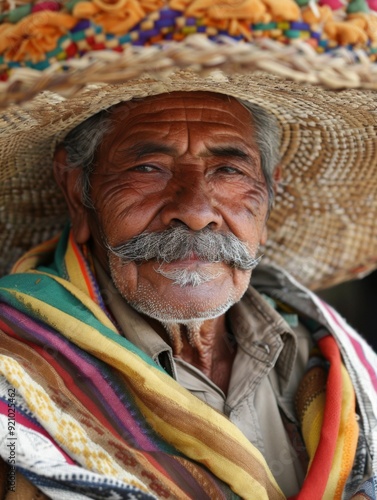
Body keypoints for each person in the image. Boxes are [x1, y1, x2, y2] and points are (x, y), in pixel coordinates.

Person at [0, 1, 377, 500]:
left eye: (229, 170)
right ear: (78, 191)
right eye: (149, 168)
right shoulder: (14, 380)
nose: (196, 210)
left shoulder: (332, 361)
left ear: (269, 194)